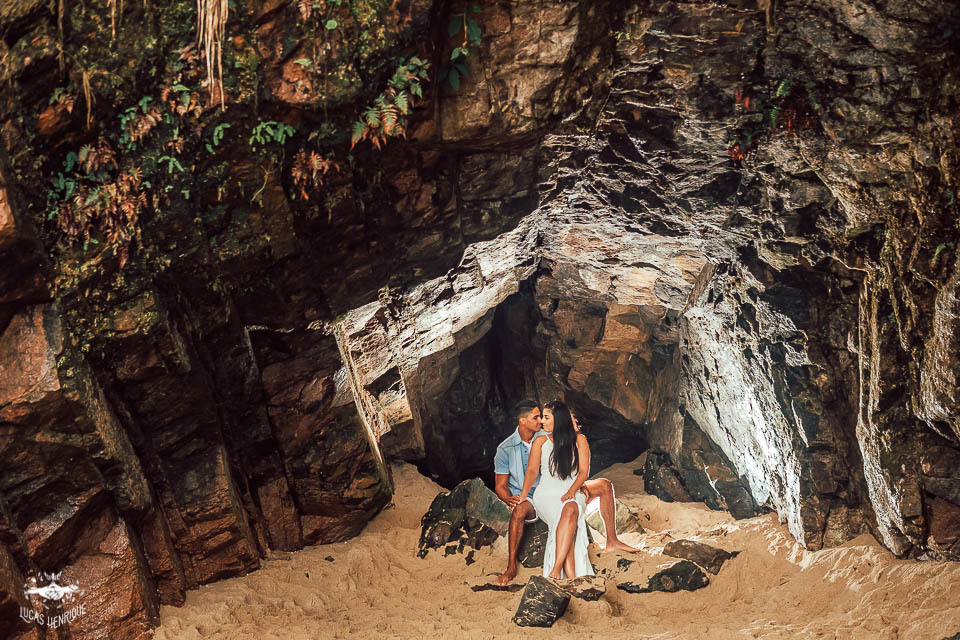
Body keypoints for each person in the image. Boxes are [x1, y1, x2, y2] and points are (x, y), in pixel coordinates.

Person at [493, 400, 638, 585]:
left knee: (570, 510)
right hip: (545, 494)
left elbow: (583, 472)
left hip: (569, 490)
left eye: (545, 418)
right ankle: (556, 572)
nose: (541, 422)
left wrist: (573, 489)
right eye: (539, 418)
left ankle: (562, 569)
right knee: (565, 512)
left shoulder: (578, 440)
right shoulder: (537, 441)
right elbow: (531, 471)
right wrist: (522, 495)